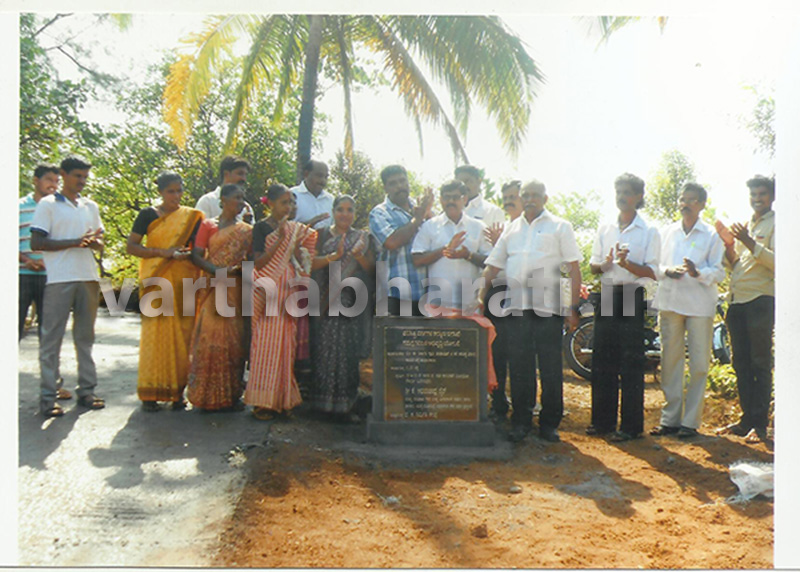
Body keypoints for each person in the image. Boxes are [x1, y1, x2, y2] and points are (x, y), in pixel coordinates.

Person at [478, 179, 582, 443]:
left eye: (536, 195)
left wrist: (571, 307)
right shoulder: (511, 230)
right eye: (526, 195)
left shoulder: (560, 226)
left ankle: (549, 424)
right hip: (517, 309)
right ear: (521, 199)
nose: (530, 199)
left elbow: (573, 268)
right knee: (520, 367)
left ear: (545, 198)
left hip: (548, 308)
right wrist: (480, 298)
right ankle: (522, 421)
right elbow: (492, 266)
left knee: (549, 367)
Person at [30, 155, 105, 417]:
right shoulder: (48, 205)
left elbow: (98, 240)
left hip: (87, 277)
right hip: (60, 278)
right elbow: (37, 243)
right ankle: (48, 397)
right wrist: (75, 242)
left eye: (85, 177)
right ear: (63, 174)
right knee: (51, 339)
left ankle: (87, 390)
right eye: (77, 176)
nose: (82, 181)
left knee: (85, 337)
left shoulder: (89, 206)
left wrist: (94, 244)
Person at [587, 173, 660, 442]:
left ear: (639, 196)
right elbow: (594, 266)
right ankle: (602, 422)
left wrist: (629, 266)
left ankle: (630, 427)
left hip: (632, 294)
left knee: (630, 362)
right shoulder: (606, 227)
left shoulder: (648, 231)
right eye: (618, 191)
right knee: (602, 360)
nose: (621, 196)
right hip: (607, 293)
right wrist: (605, 264)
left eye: (627, 192)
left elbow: (652, 272)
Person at [651, 183, 724, 438]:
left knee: (700, 364)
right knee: (670, 361)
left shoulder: (711, 236)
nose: (685, 204)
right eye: (683, 199)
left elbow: (719, 271)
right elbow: (654, 265)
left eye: (692, 200)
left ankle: (690, 423)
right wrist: (666, 271)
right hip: (671, 302)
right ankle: (670, 420)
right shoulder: (667, 232)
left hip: (699, 305)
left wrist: (698, 273)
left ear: (702, 204)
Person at [127, 172, 203, 412]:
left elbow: (197, 249)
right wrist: (164, 253)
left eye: (180, 190)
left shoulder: (191, 217)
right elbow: (132, 247)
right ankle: (150, 393)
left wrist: (185, 254)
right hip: (157, 280)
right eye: (171, 191)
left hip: (185, 281)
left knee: (183, 337)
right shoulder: (148, 215)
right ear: (160, 191)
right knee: (155, 335)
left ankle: (176, 393)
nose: (176, 196)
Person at [246, 184, 317, 420]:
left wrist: (295, 246)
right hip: (267, 289)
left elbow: (300, 260)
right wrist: (281, 239)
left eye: (292, 203)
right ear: (271, 203)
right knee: (265, 345)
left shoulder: (294, 230)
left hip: (287, 289)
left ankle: (283, 400)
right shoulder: (262, 228)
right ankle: (262, 402)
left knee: (286, 344)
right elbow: (257, 263)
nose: (290, 207)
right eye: (285, 202)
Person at [716, 175, 775, 443]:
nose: (757, 199)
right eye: (753, 195)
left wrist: (749, 241)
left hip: (761, 300)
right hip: (737, 301)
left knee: (760, 363)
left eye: (762, 194)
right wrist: (729, 244)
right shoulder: (745, 225)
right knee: (740, 364)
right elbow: (736, 265)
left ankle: (760, 425)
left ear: (772, 197)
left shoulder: (779, 224)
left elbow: (781, 263)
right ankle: (746, 420)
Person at [308, 195, 376, 419]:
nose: (344, 214)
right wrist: (332, 257)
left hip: (349, 300)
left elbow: (372, 270)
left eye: (349, 210)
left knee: (346, 352)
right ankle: (321, 405)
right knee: (324, 350)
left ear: (355, 213)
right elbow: (308, 262)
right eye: (340, 209)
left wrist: (358, 257)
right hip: (323, 297)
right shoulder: (322, 235)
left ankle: (345, 406)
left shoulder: (362, 238)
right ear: (333, 211)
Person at [187, 184, 253, 411]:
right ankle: (205, 395)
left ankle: (230, 394)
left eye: (243, 198)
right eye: (237, 197)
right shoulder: (208, 225)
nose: (241, 202)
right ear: (223, 199)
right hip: (212, 287)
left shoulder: (246, 230)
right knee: (210, 338)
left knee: (234, 341)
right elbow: (195, 256)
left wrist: (237, 270)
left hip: (235, 289)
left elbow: (251, 260)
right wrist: (216, 271)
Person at [411, 179, 491, 311]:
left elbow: (490, 263)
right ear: (441, 200)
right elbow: (417, 259)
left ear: (464, 199)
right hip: (437, 306)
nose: (451, 201)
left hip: (470, 305)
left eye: (455, 197)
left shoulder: (478, 227)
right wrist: (445, 249)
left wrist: (468, 255)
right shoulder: (429, 226)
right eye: (447, 197)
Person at [369, 165, 434, 316]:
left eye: (402, 181)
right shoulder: (379, 213)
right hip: (393, 294)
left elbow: (436, 238)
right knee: (394, 340)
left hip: (425, 292)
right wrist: (418, 218)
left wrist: (428, 213)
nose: (399, 186)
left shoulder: (422, 208)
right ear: (385, 188)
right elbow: (392, 242)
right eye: (393, 183)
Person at [486, 180, 523, 422]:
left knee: (520, 355)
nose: (508, 200)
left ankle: (522, 409)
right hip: (497, 293)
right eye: (505, 196)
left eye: (513, 196)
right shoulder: (504, 229)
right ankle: (499, 405)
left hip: (523, 295)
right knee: (497, 353)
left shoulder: (531, 229)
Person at [19, 164, 59, 341]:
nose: (54, 185)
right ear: (36, 180)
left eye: (57, 181)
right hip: (20, 275)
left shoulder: (60, 209)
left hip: (50, 277)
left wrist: (48, 261)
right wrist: (25, 260)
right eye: (49, 179)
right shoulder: (18, 207)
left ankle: (48, 369)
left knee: (49, 332)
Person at [195, 155, 255, 223]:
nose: (244, 179)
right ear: (226, 174)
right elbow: (200, 230)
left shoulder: (246, 208)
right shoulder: (207, 201)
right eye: (240, 173)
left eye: (245, 175)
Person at [292, 159, 334, 230]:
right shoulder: (292, 195)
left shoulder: (331, 200)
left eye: (326, 177)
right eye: (319, 176)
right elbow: (285, 229)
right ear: (306, 174)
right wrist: (310, 223)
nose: (323, 181)